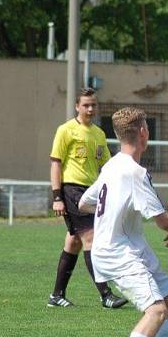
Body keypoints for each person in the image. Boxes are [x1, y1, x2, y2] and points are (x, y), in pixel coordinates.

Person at [80, 107, 168, 337]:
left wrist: (115, 213)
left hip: (128, 248)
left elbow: (84, 202)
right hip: (120, 253)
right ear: (144, 133)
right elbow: (162, 220)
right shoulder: (133, 171)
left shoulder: (112, 166)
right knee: (156, 310)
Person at [48, 88, 127, 309]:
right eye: (86, 105)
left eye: (93, 104)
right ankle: (106, 295)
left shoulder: (99, 134)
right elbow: (56, 163)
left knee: (73, 241)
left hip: (93, 191)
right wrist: (57, 196)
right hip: (72, 190)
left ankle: (56, 295)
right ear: (77, 106)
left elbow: (105, 166)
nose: (90, 109)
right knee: (91, 238)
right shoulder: (66, 130)